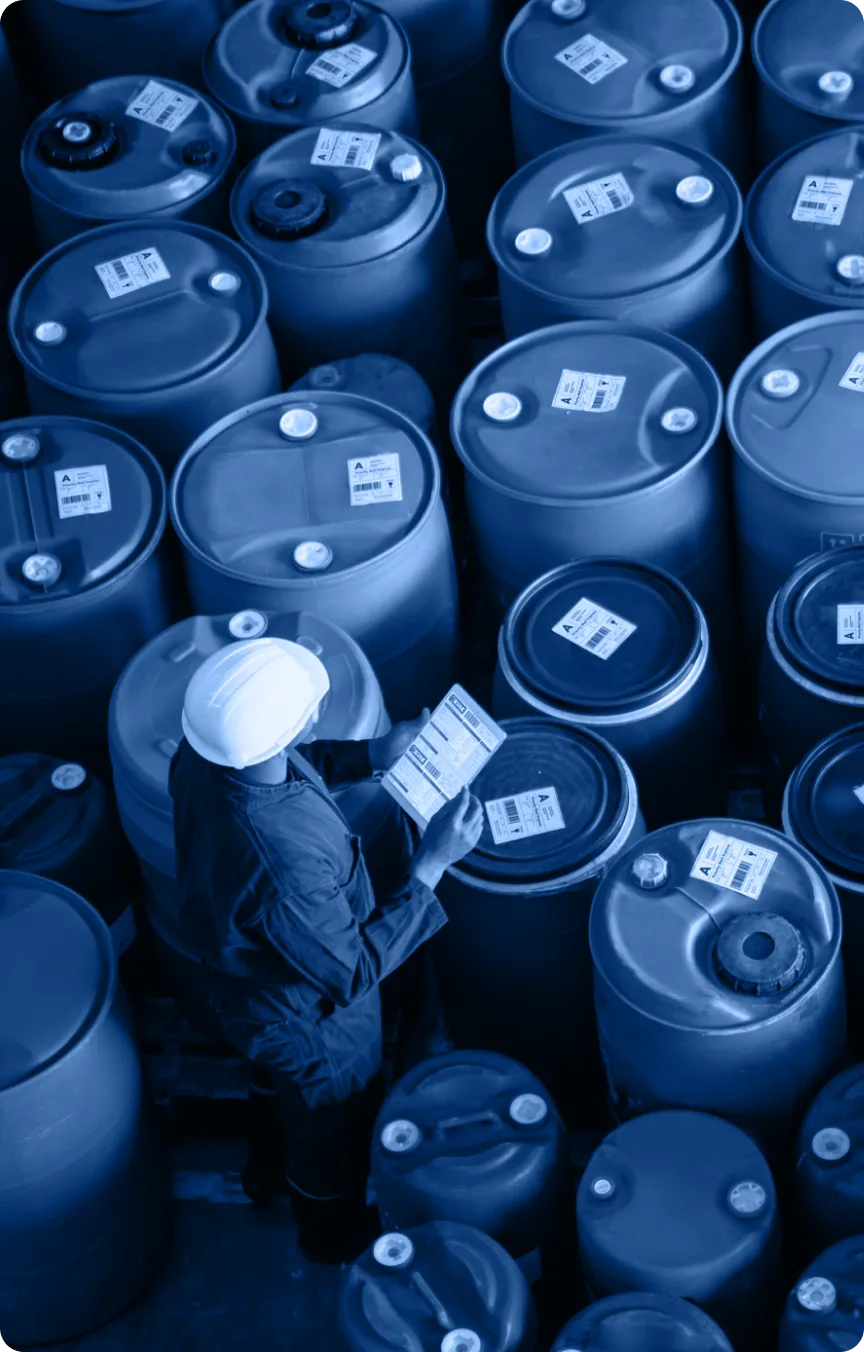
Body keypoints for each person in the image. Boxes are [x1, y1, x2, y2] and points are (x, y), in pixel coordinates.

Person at [169, 636, 484, 1262]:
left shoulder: (205, 756)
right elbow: (352, 971)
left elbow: (288, 761)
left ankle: (264, 1166)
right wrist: (430, 865)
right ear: (298, 720)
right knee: (330, 1126)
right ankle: (329, 1232)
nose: (316, 713)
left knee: (278, 1085)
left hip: (250, 984)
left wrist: (373, 754)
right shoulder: (281, 865)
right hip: (310, 1019)